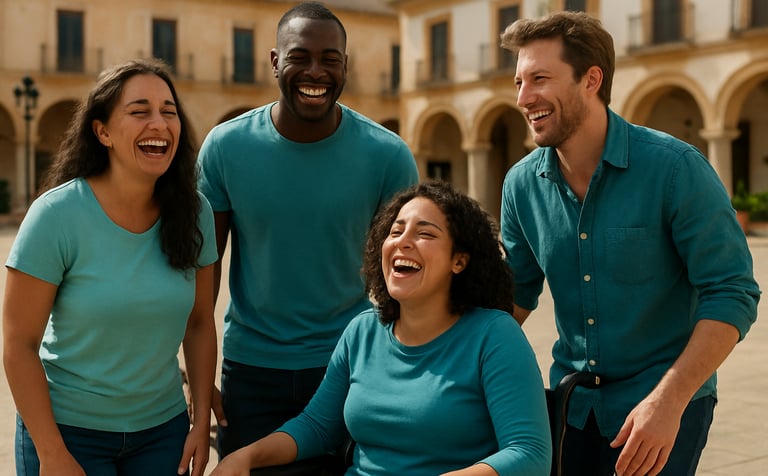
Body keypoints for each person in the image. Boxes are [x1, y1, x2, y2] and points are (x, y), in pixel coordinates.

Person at [499, 11, 760, 476]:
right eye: (519, 81)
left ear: (591, 80)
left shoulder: (676, 169)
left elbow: (732, 292)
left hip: (665, 402)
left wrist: (670, 400)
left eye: (540, 78)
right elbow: (514, 297)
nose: (523, 97)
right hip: (570, 407)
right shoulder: (520, 185)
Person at [197, 1, 419, 471]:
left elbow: (412, 277)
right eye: (299, 57)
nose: (315, 71)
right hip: (250, 373)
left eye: (330, 59)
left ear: (345, 66)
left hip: (351, 367)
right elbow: (202, 280)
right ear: (275, 61)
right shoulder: (225, 147)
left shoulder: (387, 155)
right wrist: (200, 384)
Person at [210, 180, 552, 476]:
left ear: (459, 261)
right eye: (395, 231)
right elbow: (316, 426)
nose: (403, 242)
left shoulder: (494, 335)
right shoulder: (362, 331)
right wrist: (246, 456)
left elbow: (530, 453)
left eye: (425, 234)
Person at [3, 58, 218, 476]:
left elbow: (199, 323)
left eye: (168, 112)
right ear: (102, 131)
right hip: (67, 433)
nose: (159, 123)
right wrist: (51, 453)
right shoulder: (56, 216)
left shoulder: (196, 214)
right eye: (139, 112)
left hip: (163, 434)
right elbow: (18, 344)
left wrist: (200, 419)